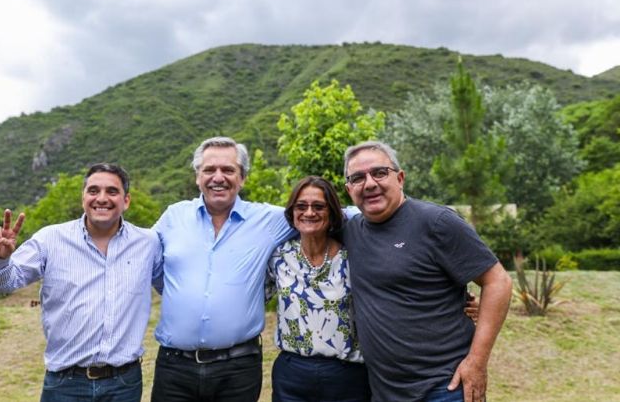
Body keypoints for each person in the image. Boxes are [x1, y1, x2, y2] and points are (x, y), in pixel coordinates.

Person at [0, 163, 162, 402]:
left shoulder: (148, 243)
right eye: (93, 190)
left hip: (123, 384)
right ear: (83, 197)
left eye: (112, 191)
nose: (101, 198)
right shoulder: (50, 239)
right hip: (65, 384)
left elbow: (173, 286)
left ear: (126, 200)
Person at [341, 141, 512, 402]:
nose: (370, 183)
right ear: (349, 189)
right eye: (358, 178)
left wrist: (477, 362)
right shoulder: (350, 230)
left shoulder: (437, 222)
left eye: (379, 172)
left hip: (446, 387)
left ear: (400, 178)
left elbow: (497, 281)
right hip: (386, 392)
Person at [150, 137, 295, 402]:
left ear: (243, 178)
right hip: (174, 368)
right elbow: (141, 257)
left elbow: (329, 214)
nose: (218, 177)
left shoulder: (270, 220)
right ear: (197, 177)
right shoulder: (173, 217)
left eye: (228, 170)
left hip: (238, 369)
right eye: (209, 170)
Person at [267, 176, 370, 402]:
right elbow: (249, 296)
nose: (309, 212)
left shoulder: (352, 256)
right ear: (292, 213)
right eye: (301, 206)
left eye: (319, 206)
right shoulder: (279, 256)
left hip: (346, 374)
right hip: (292, 373)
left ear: (332, 213)